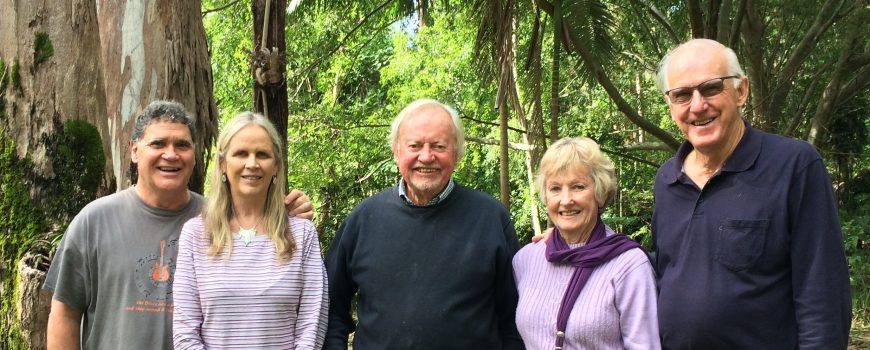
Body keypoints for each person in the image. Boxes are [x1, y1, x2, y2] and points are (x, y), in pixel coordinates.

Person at [44, 100, 314, 350]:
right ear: (134, 150)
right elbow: (65, 313)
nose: (171, 155)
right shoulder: (94, 221)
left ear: (195, 156)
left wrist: (287, 213)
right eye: (158, 144)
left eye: (182, 145)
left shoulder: (216, 221)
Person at [652, 38, 851, 349]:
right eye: (681, 95)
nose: (697, 105)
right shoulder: (667, 179)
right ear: (670, 105)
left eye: (710, 88)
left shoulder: (794, 166)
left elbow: (822, 295)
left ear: (741, 91)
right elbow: (664, 269)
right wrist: (572, 242)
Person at [324, 98, 525, 349]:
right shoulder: (364, 218)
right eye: (414, 145)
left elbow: (515, 319)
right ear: (396, 151)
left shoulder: (490, 217)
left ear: (456, 153)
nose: (426, 156)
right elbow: (330, 307)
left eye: (439, 146)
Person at [173, 112, 328, 349]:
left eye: (262, 155)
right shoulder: (195, 234)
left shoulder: (302, 234)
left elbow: (312, 326)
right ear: (223, 164)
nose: (252, 164)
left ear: (276, 166)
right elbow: (185, 332)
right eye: (241, 153)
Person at [513, 137, 659, 350]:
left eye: (578, 187)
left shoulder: (629, 265)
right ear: (545, 196)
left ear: (600, 192)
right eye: (555, 188)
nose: (565, 200)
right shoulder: (526, 260)